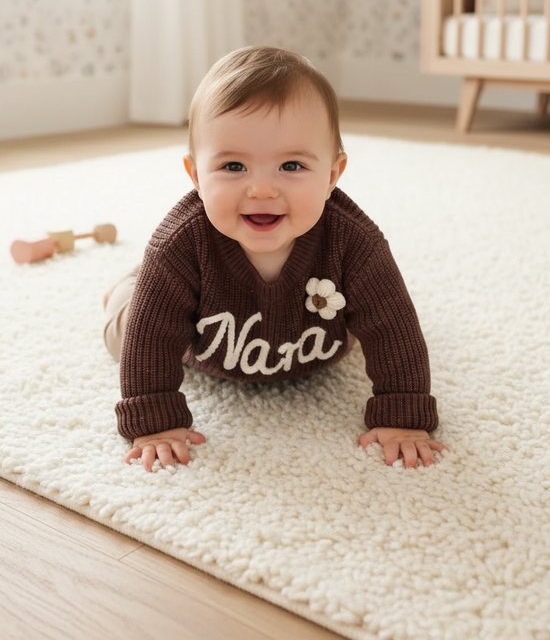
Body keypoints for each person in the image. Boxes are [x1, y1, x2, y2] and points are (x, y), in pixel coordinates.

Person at [104, 45, 448, 473]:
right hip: (199, 345)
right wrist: (155, 424)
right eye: (233, 166)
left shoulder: (355, 241)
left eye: (291, 165)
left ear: (332, 176)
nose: (262, 189)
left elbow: (392, 324)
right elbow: (151, 338)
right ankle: (129, 286)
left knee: (370, 314)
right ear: (196, 176)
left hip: (314, 340)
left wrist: (404, 417)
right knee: (129, 331)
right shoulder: (178, 245)